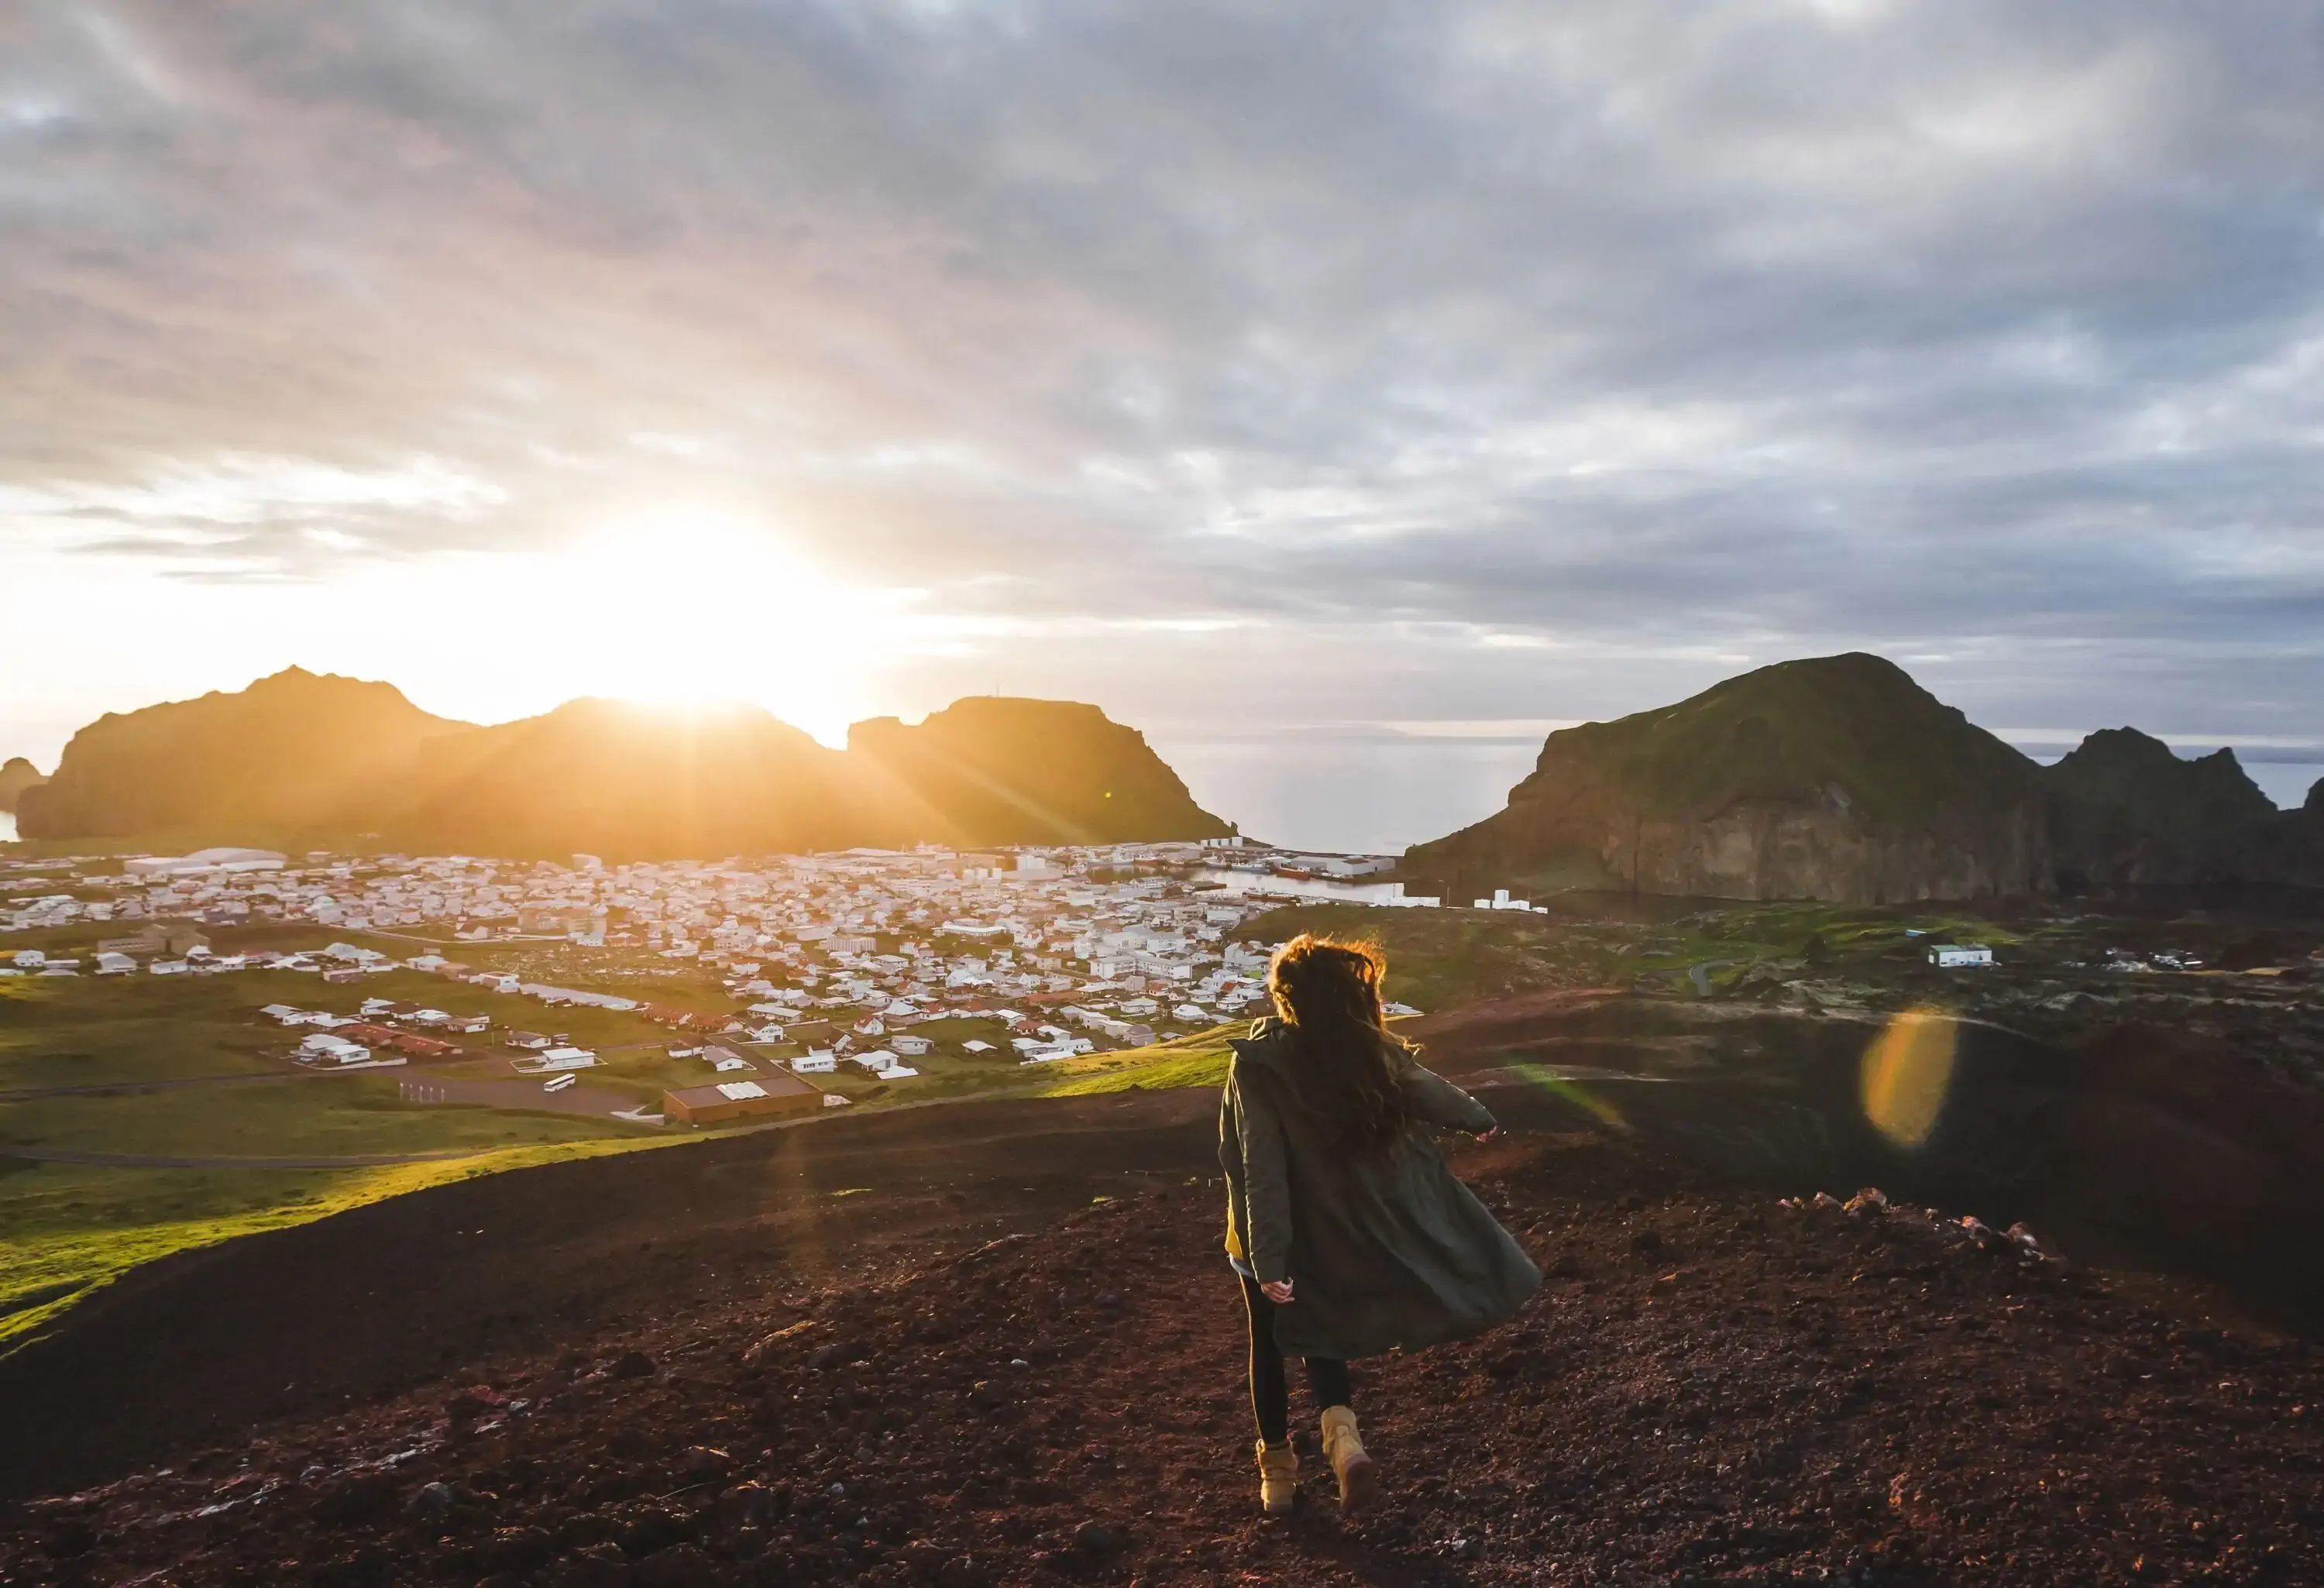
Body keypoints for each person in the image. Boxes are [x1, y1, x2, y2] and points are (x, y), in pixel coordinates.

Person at [1219, 933, 1541, 1516]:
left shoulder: (1258, 1065)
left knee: (1266, 1346)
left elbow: (1258, 1167)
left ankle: (1279, 1477)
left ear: (1287, 999)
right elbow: (1422, 1086)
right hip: (1328, 1230)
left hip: (1262, 1236)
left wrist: (1267, 1261)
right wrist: (1476, 1118)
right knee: (1323, 1338)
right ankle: (1346, 1447)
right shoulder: (1365, 1051)